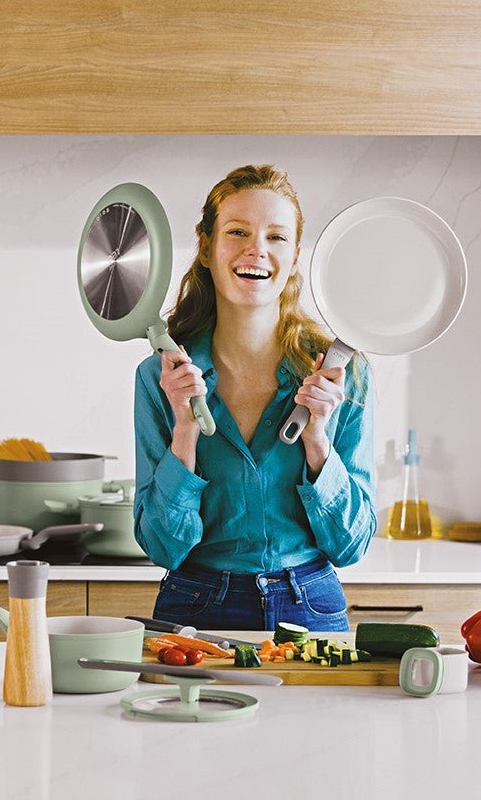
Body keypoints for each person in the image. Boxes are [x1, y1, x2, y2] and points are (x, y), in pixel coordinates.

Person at [133, 165, 376, 632]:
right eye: (238, 231)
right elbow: (163, 547)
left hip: (313, 609)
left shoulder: (343, 375)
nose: (256, 250)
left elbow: (351, 546)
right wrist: (185, 430)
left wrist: (318, 442)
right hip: (193, 609)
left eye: (276, 237)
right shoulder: (159, 378)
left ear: (296, 256)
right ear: (206, 247)